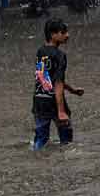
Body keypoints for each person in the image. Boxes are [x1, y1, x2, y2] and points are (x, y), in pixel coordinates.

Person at [31, 19, 83, 150]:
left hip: (39, 100)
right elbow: (58, 83)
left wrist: (71, 90)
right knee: (67, 140)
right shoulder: (60, 56)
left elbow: (45, 79)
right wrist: (61, 111)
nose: (67, 35)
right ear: (52, 34)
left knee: (41, 139)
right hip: (54, 102)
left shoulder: (40, 52)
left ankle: (36, 156)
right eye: (63, 32)